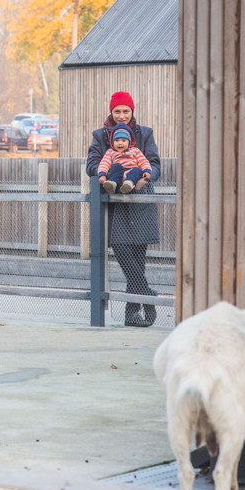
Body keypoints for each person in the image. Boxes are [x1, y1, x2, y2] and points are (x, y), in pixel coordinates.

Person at [86, 91, 161, 327]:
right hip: (112, 202)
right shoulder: (100, 136)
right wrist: (112, 173)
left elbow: (155, 164)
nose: (121, 115)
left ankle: (132, 313)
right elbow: (91, 165)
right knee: (121, 249)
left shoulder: (144, 133)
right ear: (111, 112)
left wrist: (144, 177)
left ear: (132, 111)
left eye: (125, 111)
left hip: (140, 200)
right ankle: (147, 294)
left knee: (138, 257)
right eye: (117, 111)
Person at [97, 124, 152, 194]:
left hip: (131, 170)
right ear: (112, 142)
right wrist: (102, 174)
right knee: (116, 166)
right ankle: (112, 184)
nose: (120, 143)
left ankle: (129, 183)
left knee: (137, 170)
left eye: (123, 141)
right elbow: (104, 163)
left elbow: (143, 161)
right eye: (117, 140)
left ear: (129, 142)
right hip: (118, 172)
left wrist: (147, 171)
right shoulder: (110, 152)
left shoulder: (135, 151)